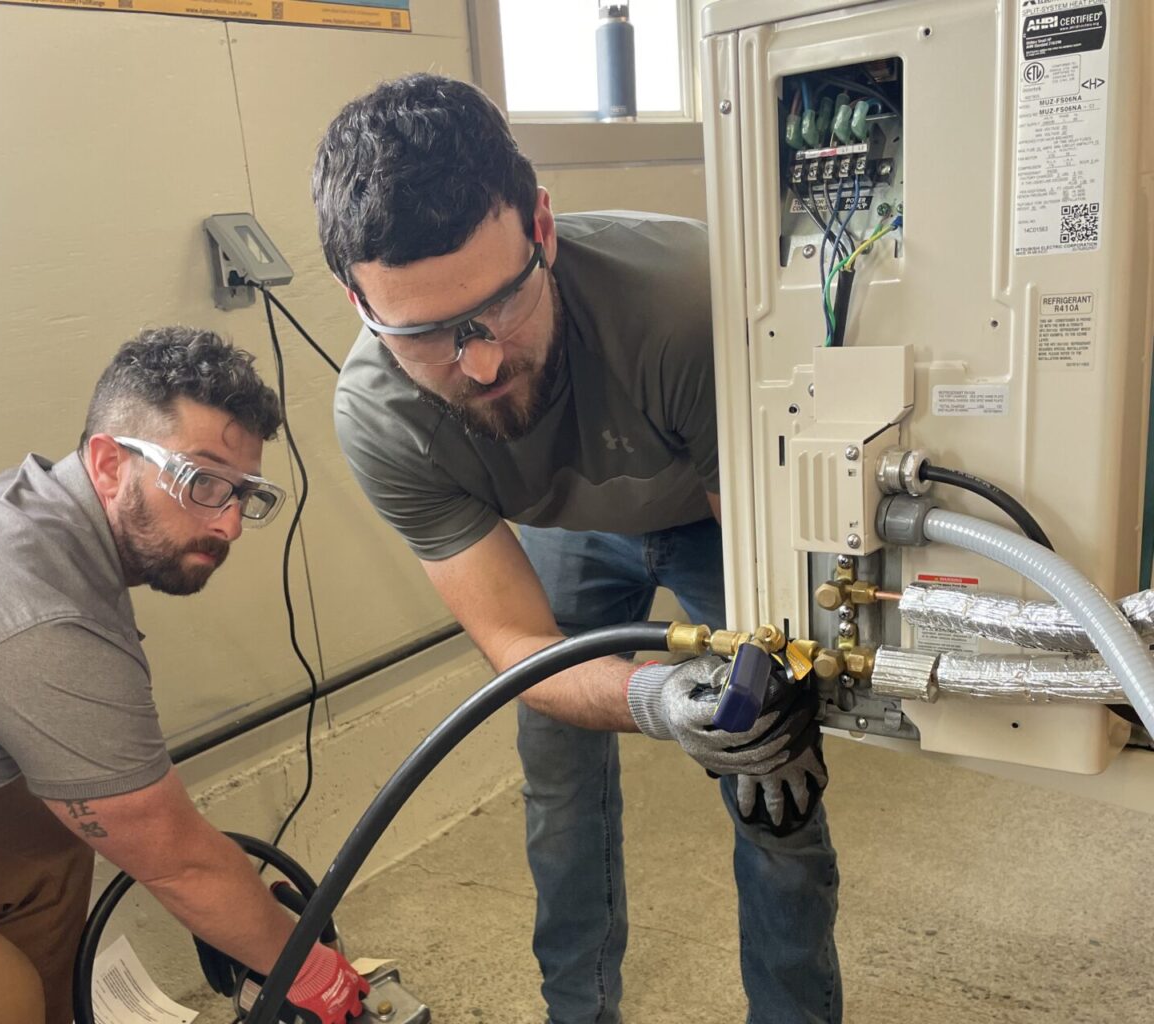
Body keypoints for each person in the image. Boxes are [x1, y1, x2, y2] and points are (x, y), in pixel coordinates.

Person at [316, 74, 841, 1024]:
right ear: (356, 299)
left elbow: (783, 600)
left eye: (501, 306)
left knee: (773, 769)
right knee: (558, 778)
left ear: (543, 231)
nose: (476, 362)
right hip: (573, 526)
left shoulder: (696, 309)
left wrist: (756, 698)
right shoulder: (380, 420)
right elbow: (518, 651)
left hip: (714, 507)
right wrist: (651, 695)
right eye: (427, 334)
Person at [0, 327, 368, 1024]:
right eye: (201, 483)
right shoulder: (42, 618)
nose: (228, 524)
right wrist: (309, 970)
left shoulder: (37, 521)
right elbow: (179, 861)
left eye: (244, 494)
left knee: (44, 848)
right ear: (108, 464)